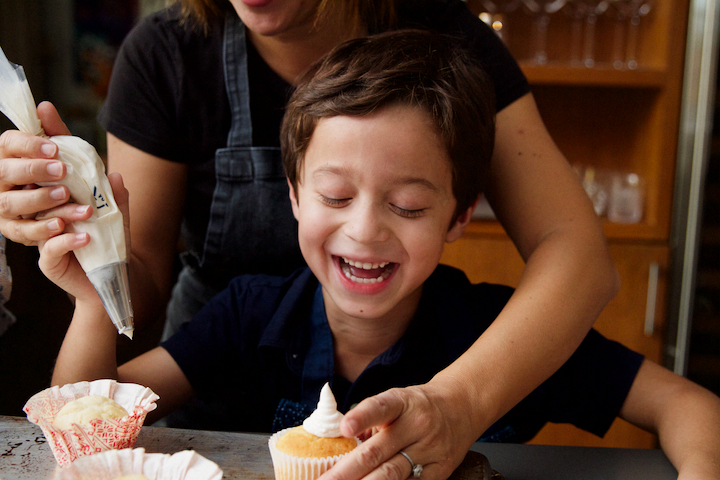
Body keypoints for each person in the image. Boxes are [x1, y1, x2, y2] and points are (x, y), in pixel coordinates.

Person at [41, 31, 720, 480]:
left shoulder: (495, 331)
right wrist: (95, 294)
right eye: (335, 196)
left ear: (458, 215)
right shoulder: (250, 314)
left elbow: (690, 408)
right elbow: (85, 414)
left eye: (409, 207)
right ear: (295, 196)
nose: (364, 232)